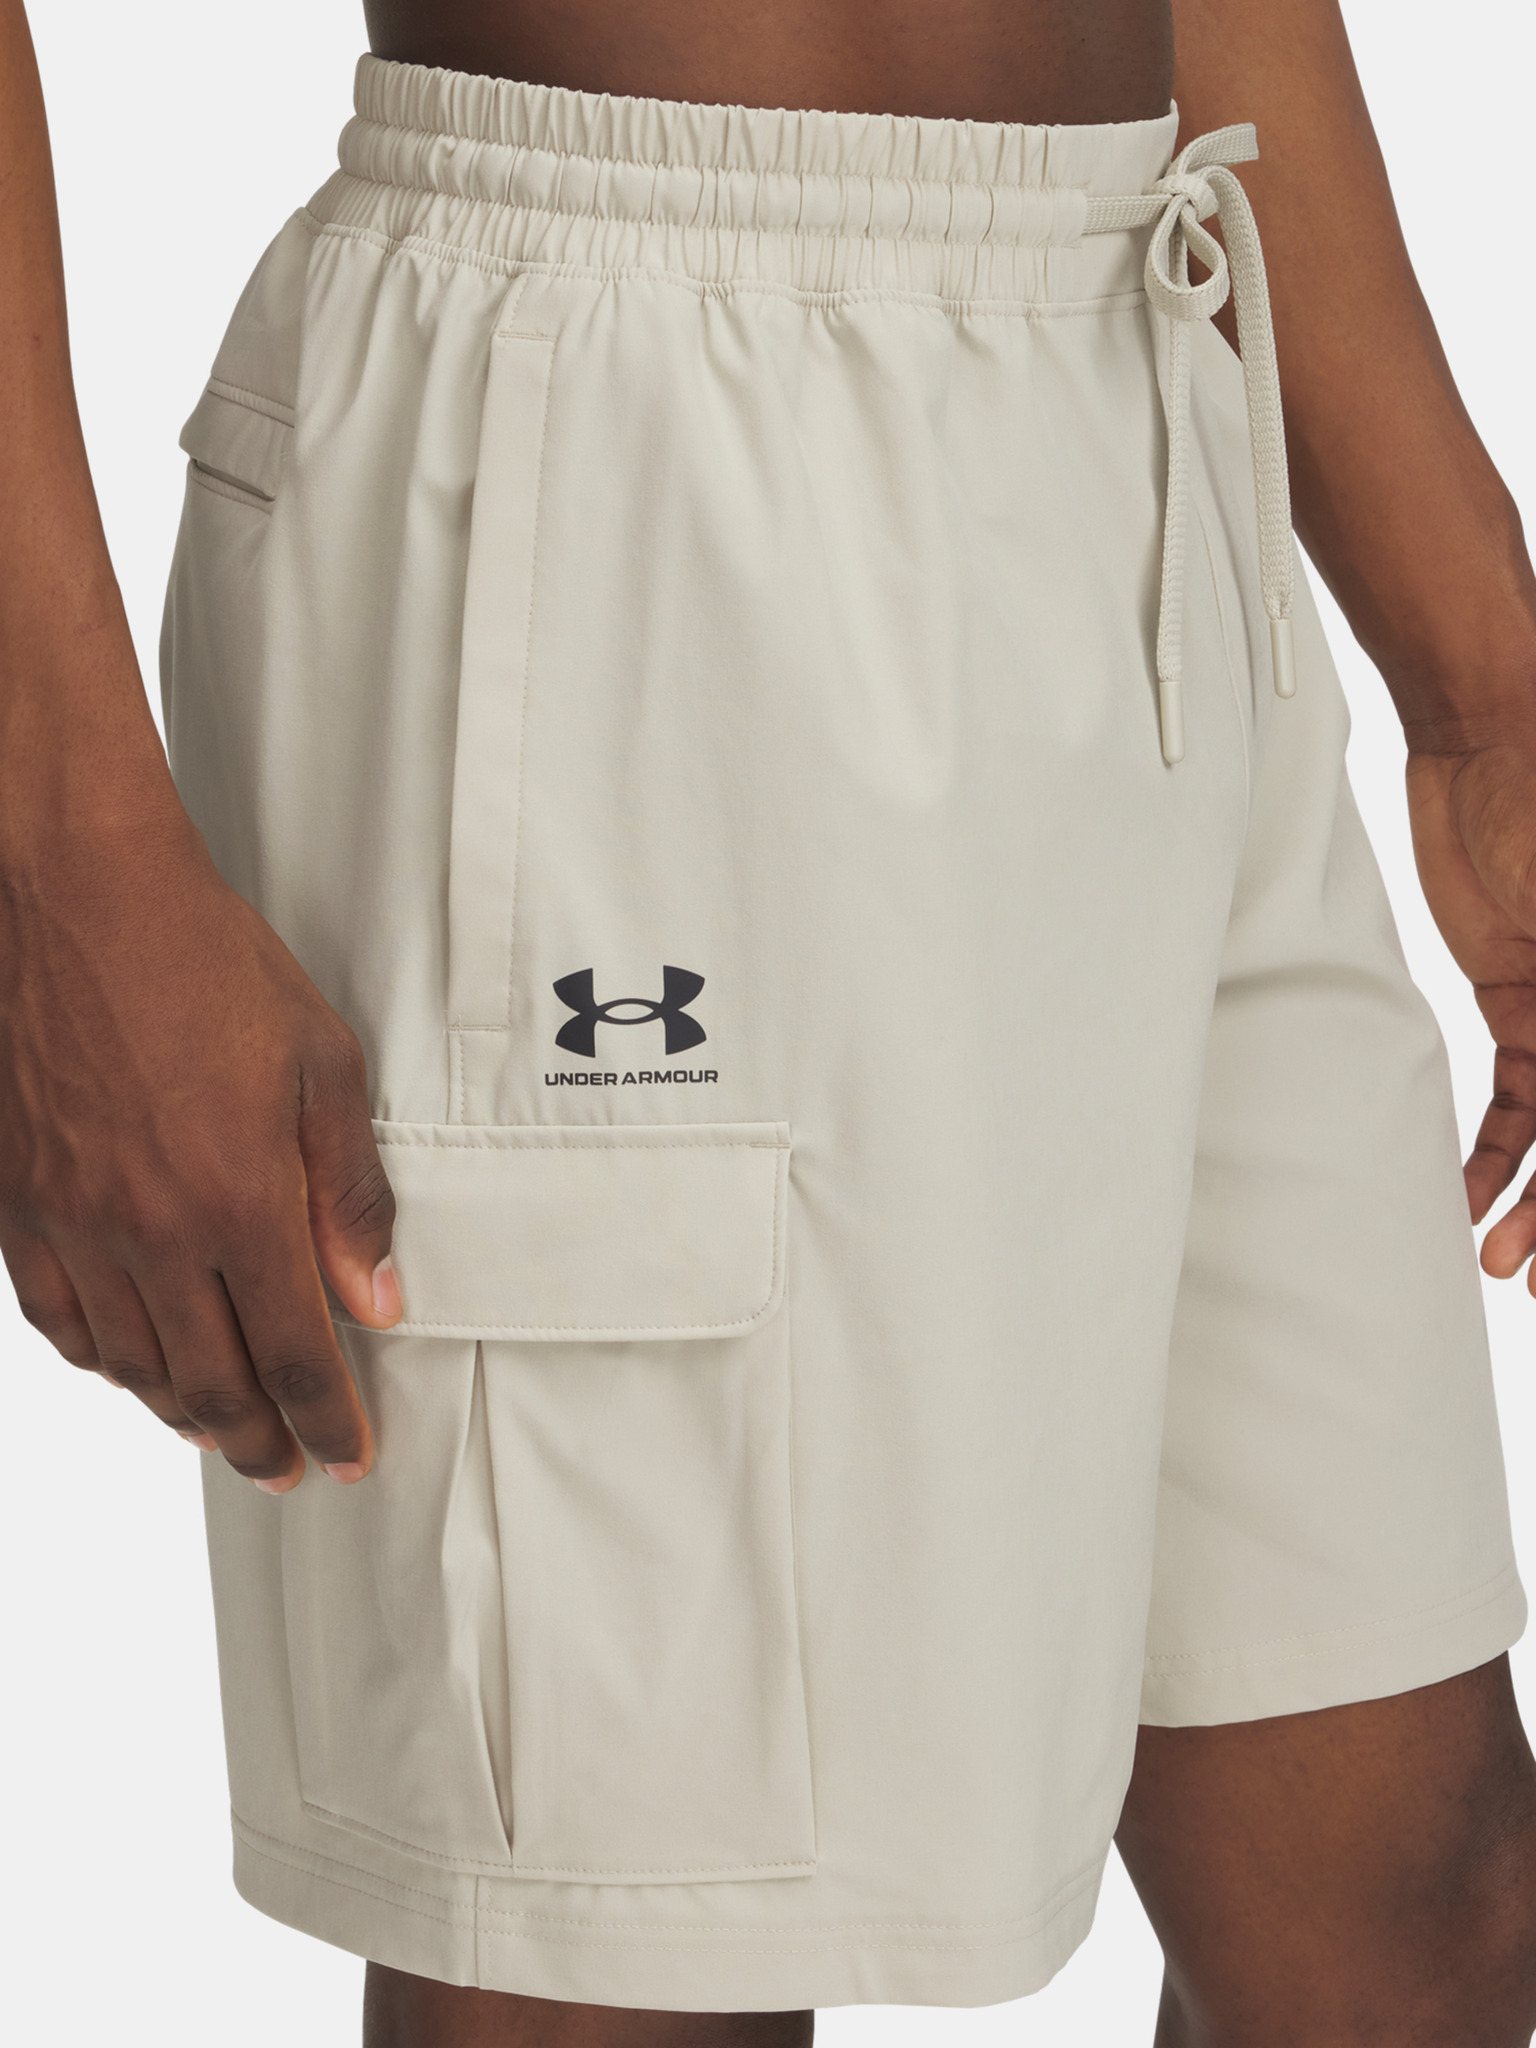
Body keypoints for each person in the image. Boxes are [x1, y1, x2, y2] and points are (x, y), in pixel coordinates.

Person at [6, 0, 1536, 2040]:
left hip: (1158, 401)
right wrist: (65, 868)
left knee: (1411, 1911)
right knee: (636, 1954)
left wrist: (1486, 692)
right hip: (630, 430)